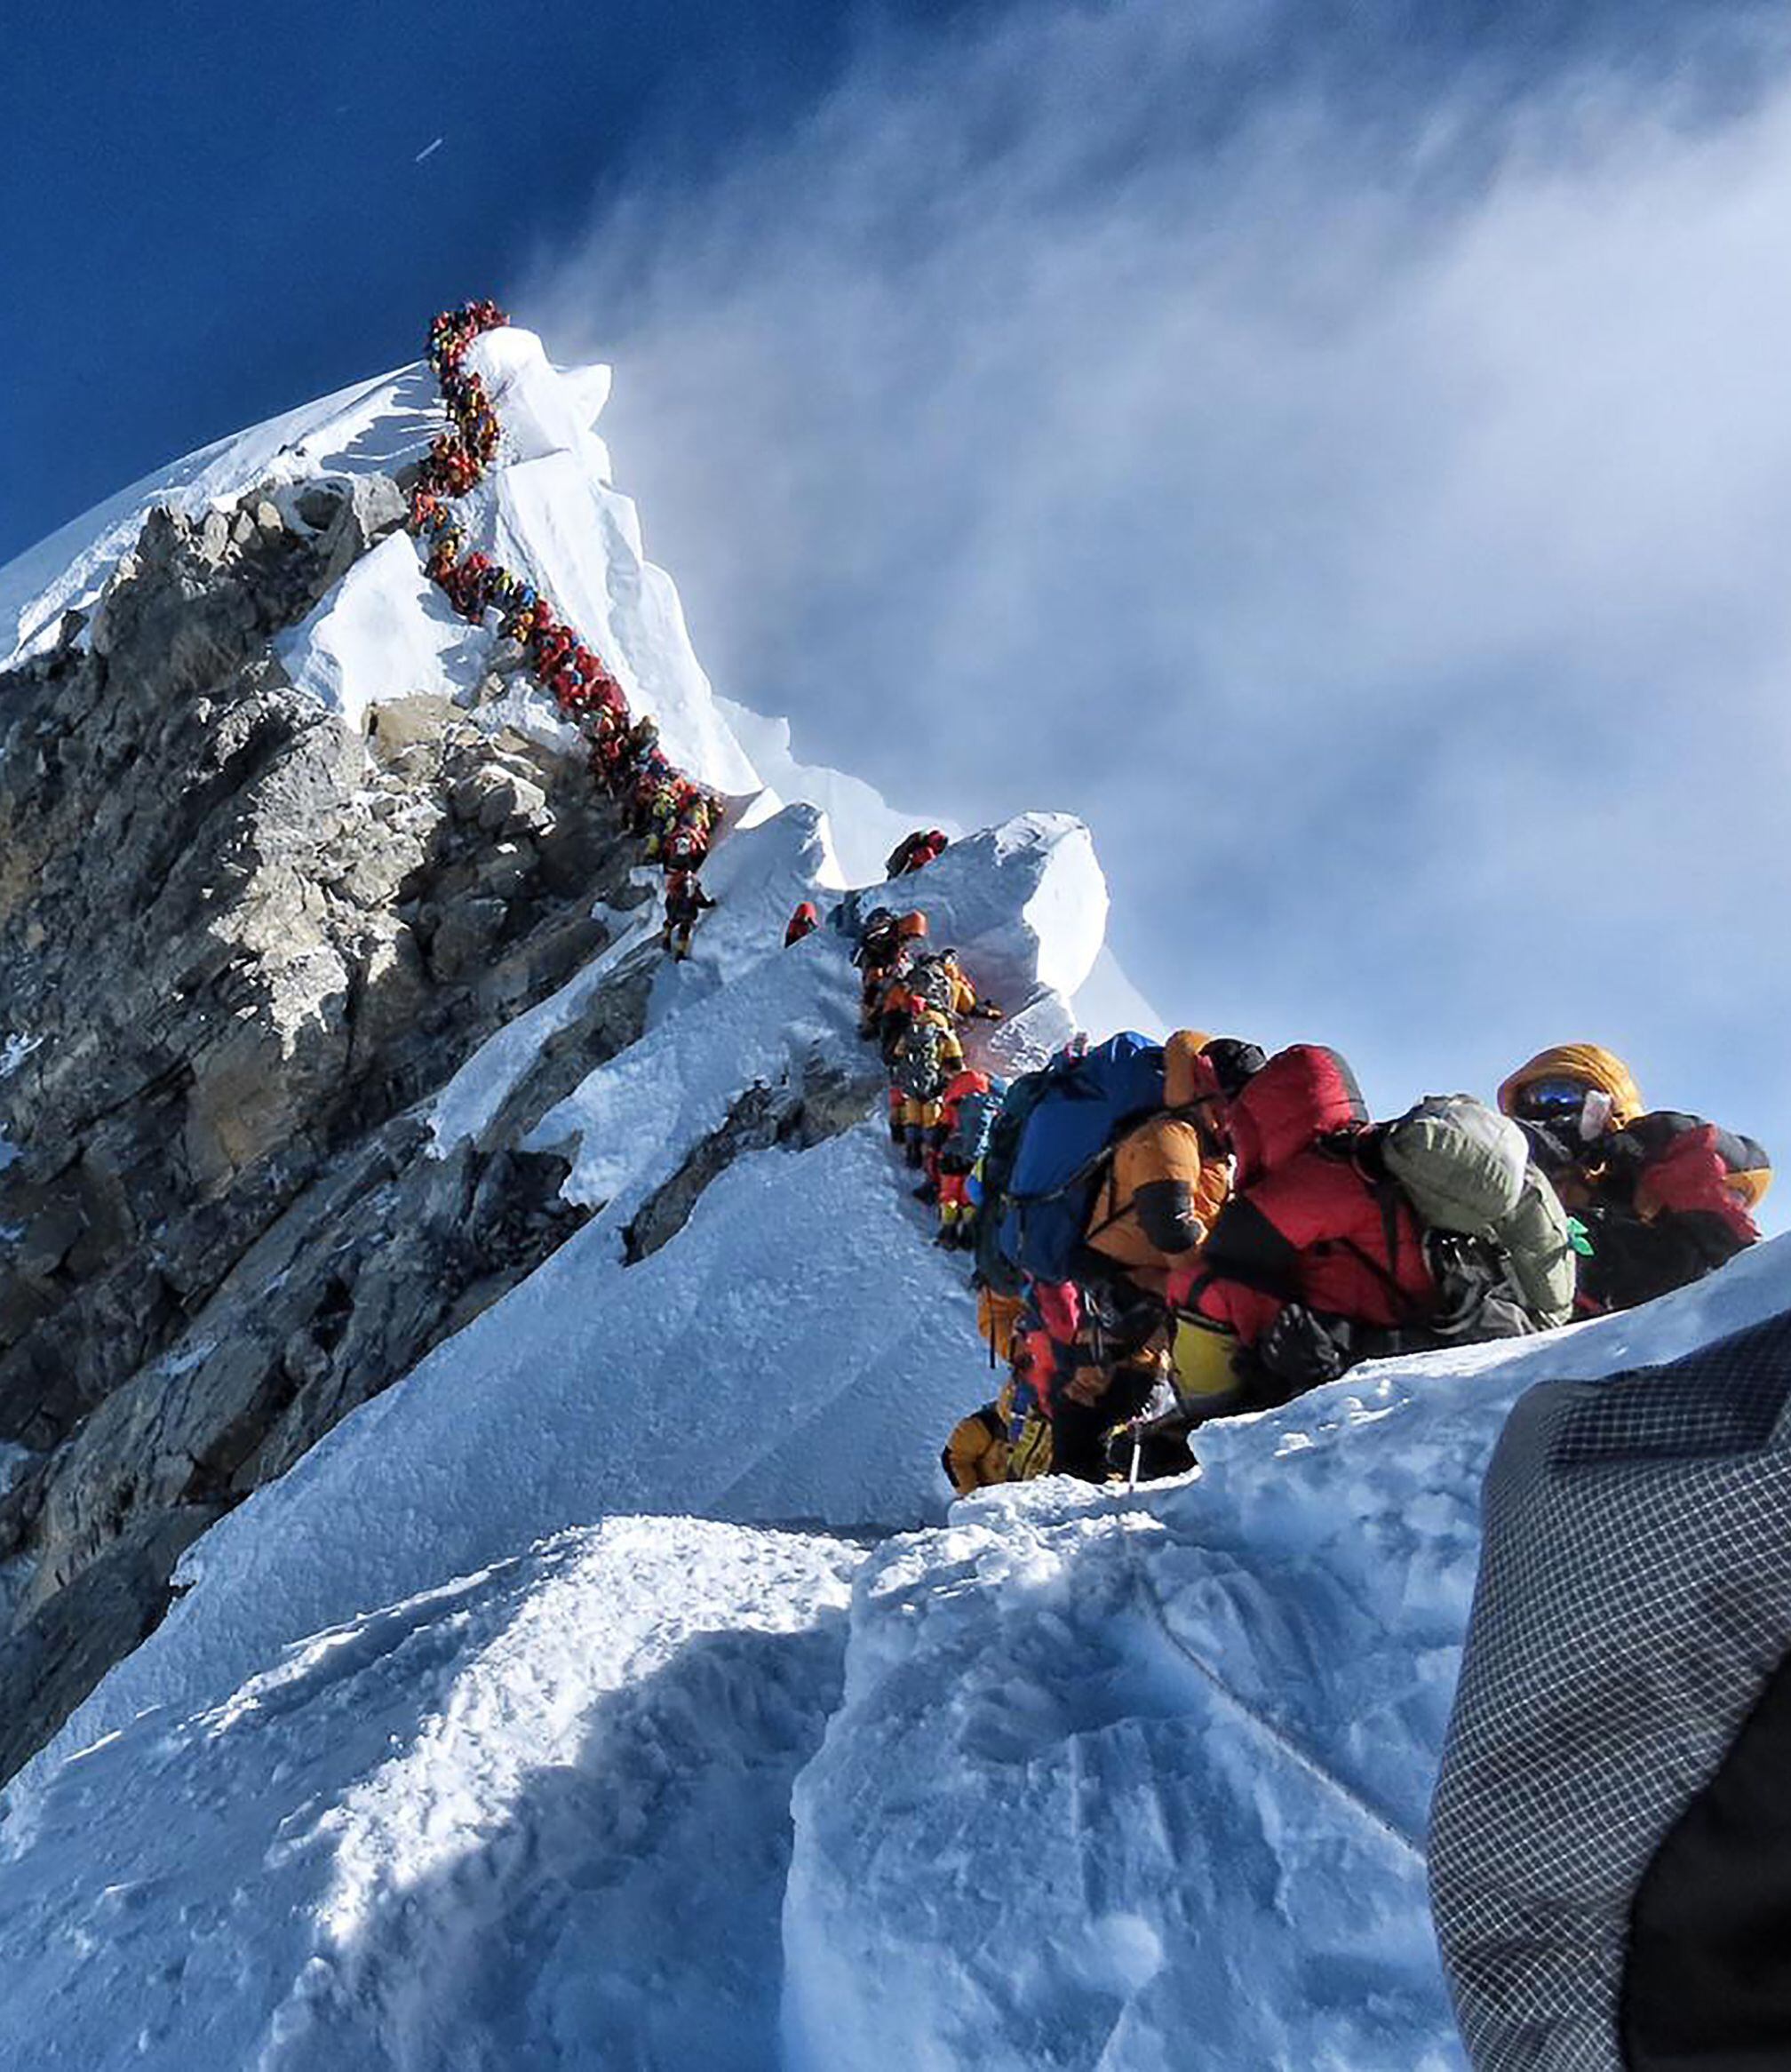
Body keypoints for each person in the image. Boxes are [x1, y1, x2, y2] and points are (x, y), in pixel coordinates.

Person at [1498, 1043, 1770, 1312]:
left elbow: (1742, 1184)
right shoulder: (1515, 1192)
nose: (1546, 1110)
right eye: (1531, 1102)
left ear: (1608, 1104)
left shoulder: (1647, 1177)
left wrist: (1664, 1138)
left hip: (1675, 1321)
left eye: (1560, 1094)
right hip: (1548, 1334)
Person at [661, 869, 714, 960]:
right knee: (684, 930)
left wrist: (670, 915)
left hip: (674, 912)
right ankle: (680, 953)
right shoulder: (693, 887)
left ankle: (666, 939)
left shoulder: (674, 888)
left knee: (669, 923)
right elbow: (702, 902)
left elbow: (668, 903)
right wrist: (711, 904)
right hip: (688, 913)